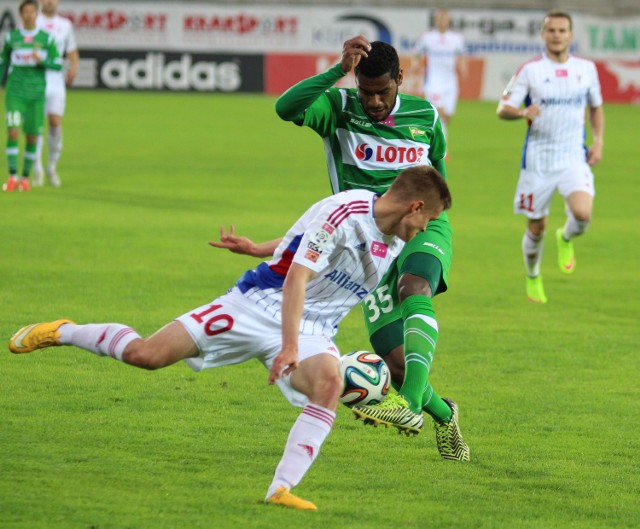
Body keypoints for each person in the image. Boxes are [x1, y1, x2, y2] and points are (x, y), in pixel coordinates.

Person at [9, 166, 451, 511]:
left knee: (330, 383)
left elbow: (305, 241)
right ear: (414, 207)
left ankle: (281, 489)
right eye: (428, 220)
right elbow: (298, 274)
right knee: (146, 355)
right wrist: (289, 347)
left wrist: (259, 246)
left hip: (316, 329)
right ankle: (63, 331)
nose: (424, 230)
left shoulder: (392, 239)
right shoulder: (346, 211)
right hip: (258, 304)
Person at [212, 37, 470, 461]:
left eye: (381, 92)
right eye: (365, 91)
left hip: (424, 225)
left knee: (414, 287)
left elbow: (439, 176)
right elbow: (286, 108)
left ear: (400, 80)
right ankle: (445, 415)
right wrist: (337, 71)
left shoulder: (426, 116)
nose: (371, 101)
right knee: (399, 364)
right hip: (368, 245)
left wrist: (433, 219)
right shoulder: (338, 107)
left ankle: (405, 406)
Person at [497, 10, 604, 303]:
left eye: (561, 30)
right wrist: (521, 112)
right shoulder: (530, 70)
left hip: (573, 156)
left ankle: (566, 237)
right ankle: (533, 276)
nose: (556, 35)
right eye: (551, 30)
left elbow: (596, 107)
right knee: (536, 226)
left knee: (582, 215)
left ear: (571, 35)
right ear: (543, 35)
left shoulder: (586, 69)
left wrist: (599, 141)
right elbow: (502, 108)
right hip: (538, 160)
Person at [1, 0, 62, 193]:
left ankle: (25, 179)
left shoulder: (46, 38)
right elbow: (3, 61)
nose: (28, 15)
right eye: (25, 12)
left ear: (36, 14)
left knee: (32, 137)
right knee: (12, 132)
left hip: (36, 95)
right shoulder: (12, 38)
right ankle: (12, 177)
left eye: (31, 11)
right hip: (16, 93)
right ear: (21, 15)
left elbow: (57, 64)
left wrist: (41, 60)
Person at [33, 0, 79, 187]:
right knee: (36, 125)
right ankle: (37, 170)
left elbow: (71, 51)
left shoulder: (65, 24)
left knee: (54, 124)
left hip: (56, 80)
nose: (49, 1)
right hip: (35, 78)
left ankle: (51, 167)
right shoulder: (32, 21)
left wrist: (74, 66)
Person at [412, 9, 466, 141]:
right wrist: (416, 66)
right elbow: (417, 53)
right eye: (439, 18)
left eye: (444, 18)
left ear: (448, 21)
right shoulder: (427, 37)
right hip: (433, 81)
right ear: (435, 21)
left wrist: (463, 68)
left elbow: (462, 55)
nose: (442, 21)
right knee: (439, 112)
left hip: (450, 82)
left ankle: (431, 139)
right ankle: (442, 149)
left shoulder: (456, 38)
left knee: (447, 117)